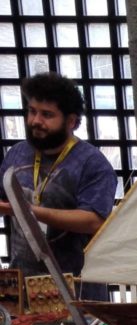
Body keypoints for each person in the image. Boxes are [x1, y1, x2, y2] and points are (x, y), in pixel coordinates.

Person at [0, 72, 117, 302]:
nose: (35, 121)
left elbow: (94, 221)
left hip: (77, 290)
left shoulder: (92, 163)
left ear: (71, 121)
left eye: (47, 114)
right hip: (21, 287)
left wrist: (27, 211)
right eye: (32, 111)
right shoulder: (17, 153)